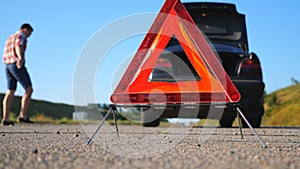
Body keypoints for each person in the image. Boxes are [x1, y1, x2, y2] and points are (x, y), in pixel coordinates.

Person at [1, 23, 34, 126]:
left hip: (7, 65)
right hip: (16, 64)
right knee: (29, 89)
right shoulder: (21, 36)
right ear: (25, 29)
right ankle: (22, 116)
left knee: (10, 91)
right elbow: (18, 45)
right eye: (29, 32)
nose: (29, 35)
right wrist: (20, 58)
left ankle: (5, 118)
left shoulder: (10, 37)